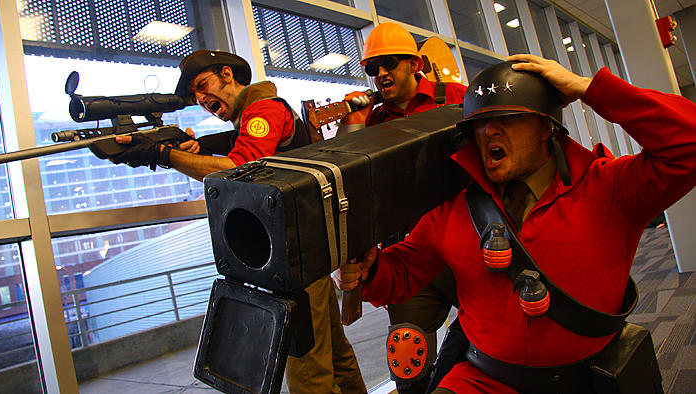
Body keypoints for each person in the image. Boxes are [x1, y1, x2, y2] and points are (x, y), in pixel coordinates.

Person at [333, 53, 696, 393]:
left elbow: (689, 142)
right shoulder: (453, 209)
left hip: (584, 380)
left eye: (506, 119)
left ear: (544, 128)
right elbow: (402, 273)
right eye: (480, 124)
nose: (489, 132)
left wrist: (589, 88)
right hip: (482, 380)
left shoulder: (609, 188)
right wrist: (371, 270)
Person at [111, 50, 367, 394]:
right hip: (305, 251)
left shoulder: (263, 110)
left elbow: (238, 168)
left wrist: (163, 154)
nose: (202, 100)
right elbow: (241, 157)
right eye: (196, 97)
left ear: (227, 74)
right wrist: (193, 152)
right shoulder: (250, 121)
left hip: (297, 258)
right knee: (333, 355)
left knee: (308, 375)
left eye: (204, 86)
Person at [337, 22, 468, 394]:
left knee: (491, 347)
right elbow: (356, 180)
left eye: (389, 63)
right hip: (413, 253)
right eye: (371, 68)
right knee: (408, 362)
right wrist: (355, 126)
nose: (380, 74)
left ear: (414, 63)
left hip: (469, 242)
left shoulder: (455, 96)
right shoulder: (375, 120)